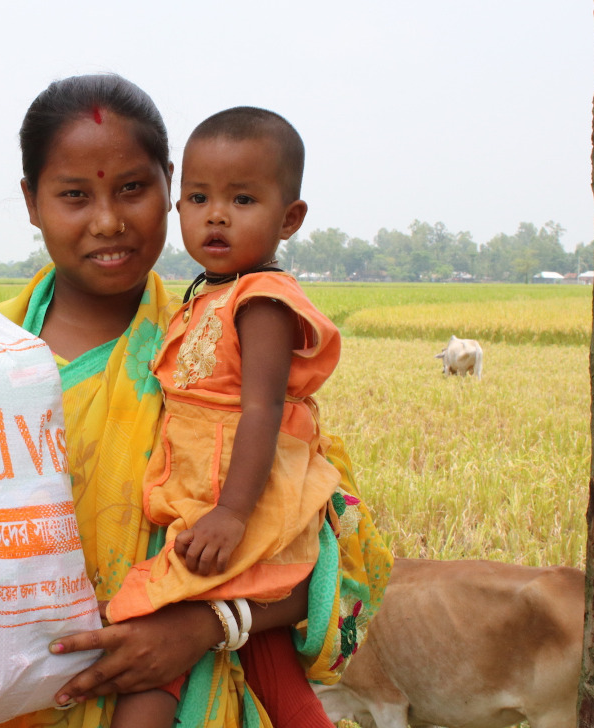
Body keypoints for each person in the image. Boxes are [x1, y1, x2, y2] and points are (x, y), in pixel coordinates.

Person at [0, 75, 393, 728]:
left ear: (168, 185)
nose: (108, 221)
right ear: (32, 200)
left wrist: (201, 626)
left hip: (182, 702)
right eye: (74, 195)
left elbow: (321, 549)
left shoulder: (215, 359)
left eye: (132, 189)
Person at [107, 106, 377, 727]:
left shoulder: (262, 300)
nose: (217, 214)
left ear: (291, 218)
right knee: (272, 666)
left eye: (243, 199)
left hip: (236, 500)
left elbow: (261, 410)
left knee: (149, 627)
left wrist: (231, 512)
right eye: (198, 198)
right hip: (208, 494)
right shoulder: (211, 292)